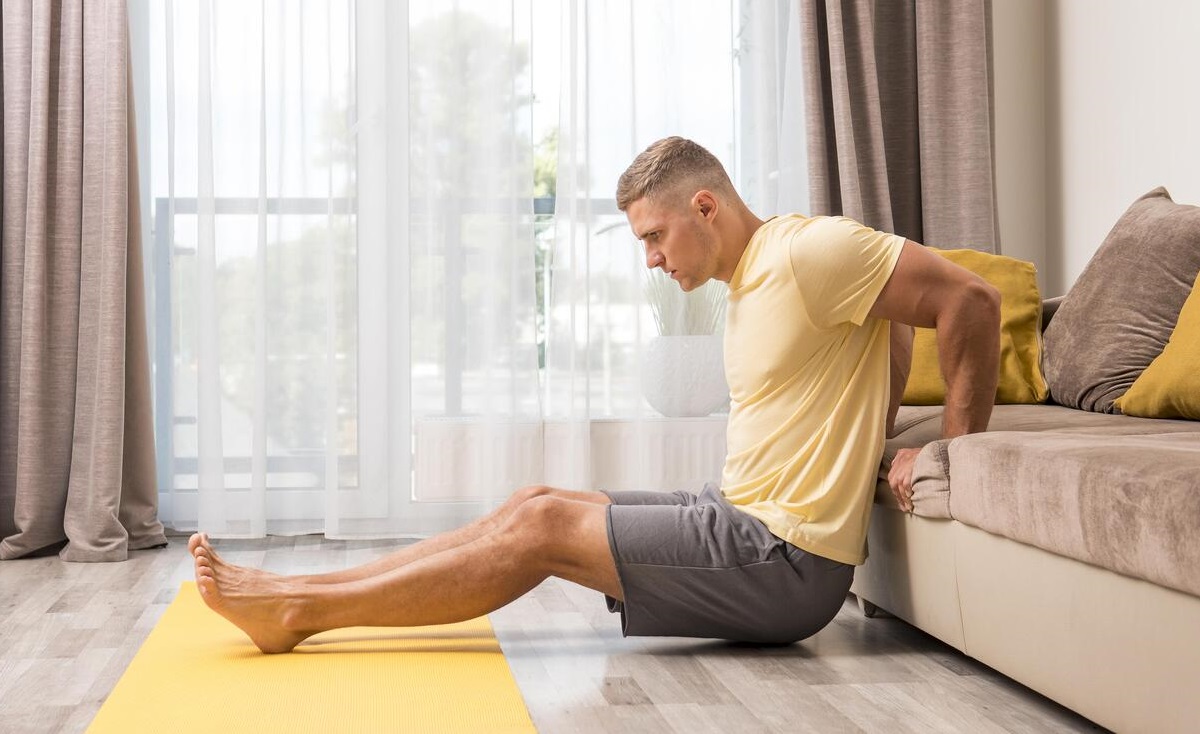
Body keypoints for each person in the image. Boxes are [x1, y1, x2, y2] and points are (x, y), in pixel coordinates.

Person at [189, 136, 1000, 653]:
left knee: (542, 528)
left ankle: (299, 613)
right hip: (738, 513)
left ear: (704, 207)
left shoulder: (811, 250)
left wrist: (950, 450)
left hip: (784, 562)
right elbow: (893, 327)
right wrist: (876, 435)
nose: (650, 258)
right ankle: (297, 591)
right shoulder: (755, 279)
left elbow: (968, 300)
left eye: (654, 236)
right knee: (534, 498)